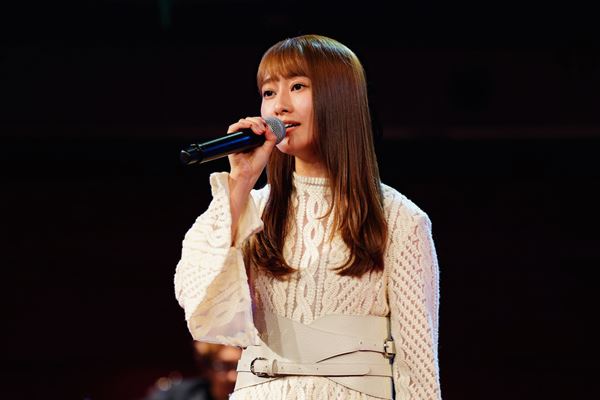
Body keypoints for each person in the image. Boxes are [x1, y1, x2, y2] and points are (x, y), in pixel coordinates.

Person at [174, 34, 441, 399]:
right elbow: (199, 299)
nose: (279, 106)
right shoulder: (253, 206)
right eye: (269, 92)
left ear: (339, 99)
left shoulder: (399, 218)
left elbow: (418, 369)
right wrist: (240, 182)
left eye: (297, 86)